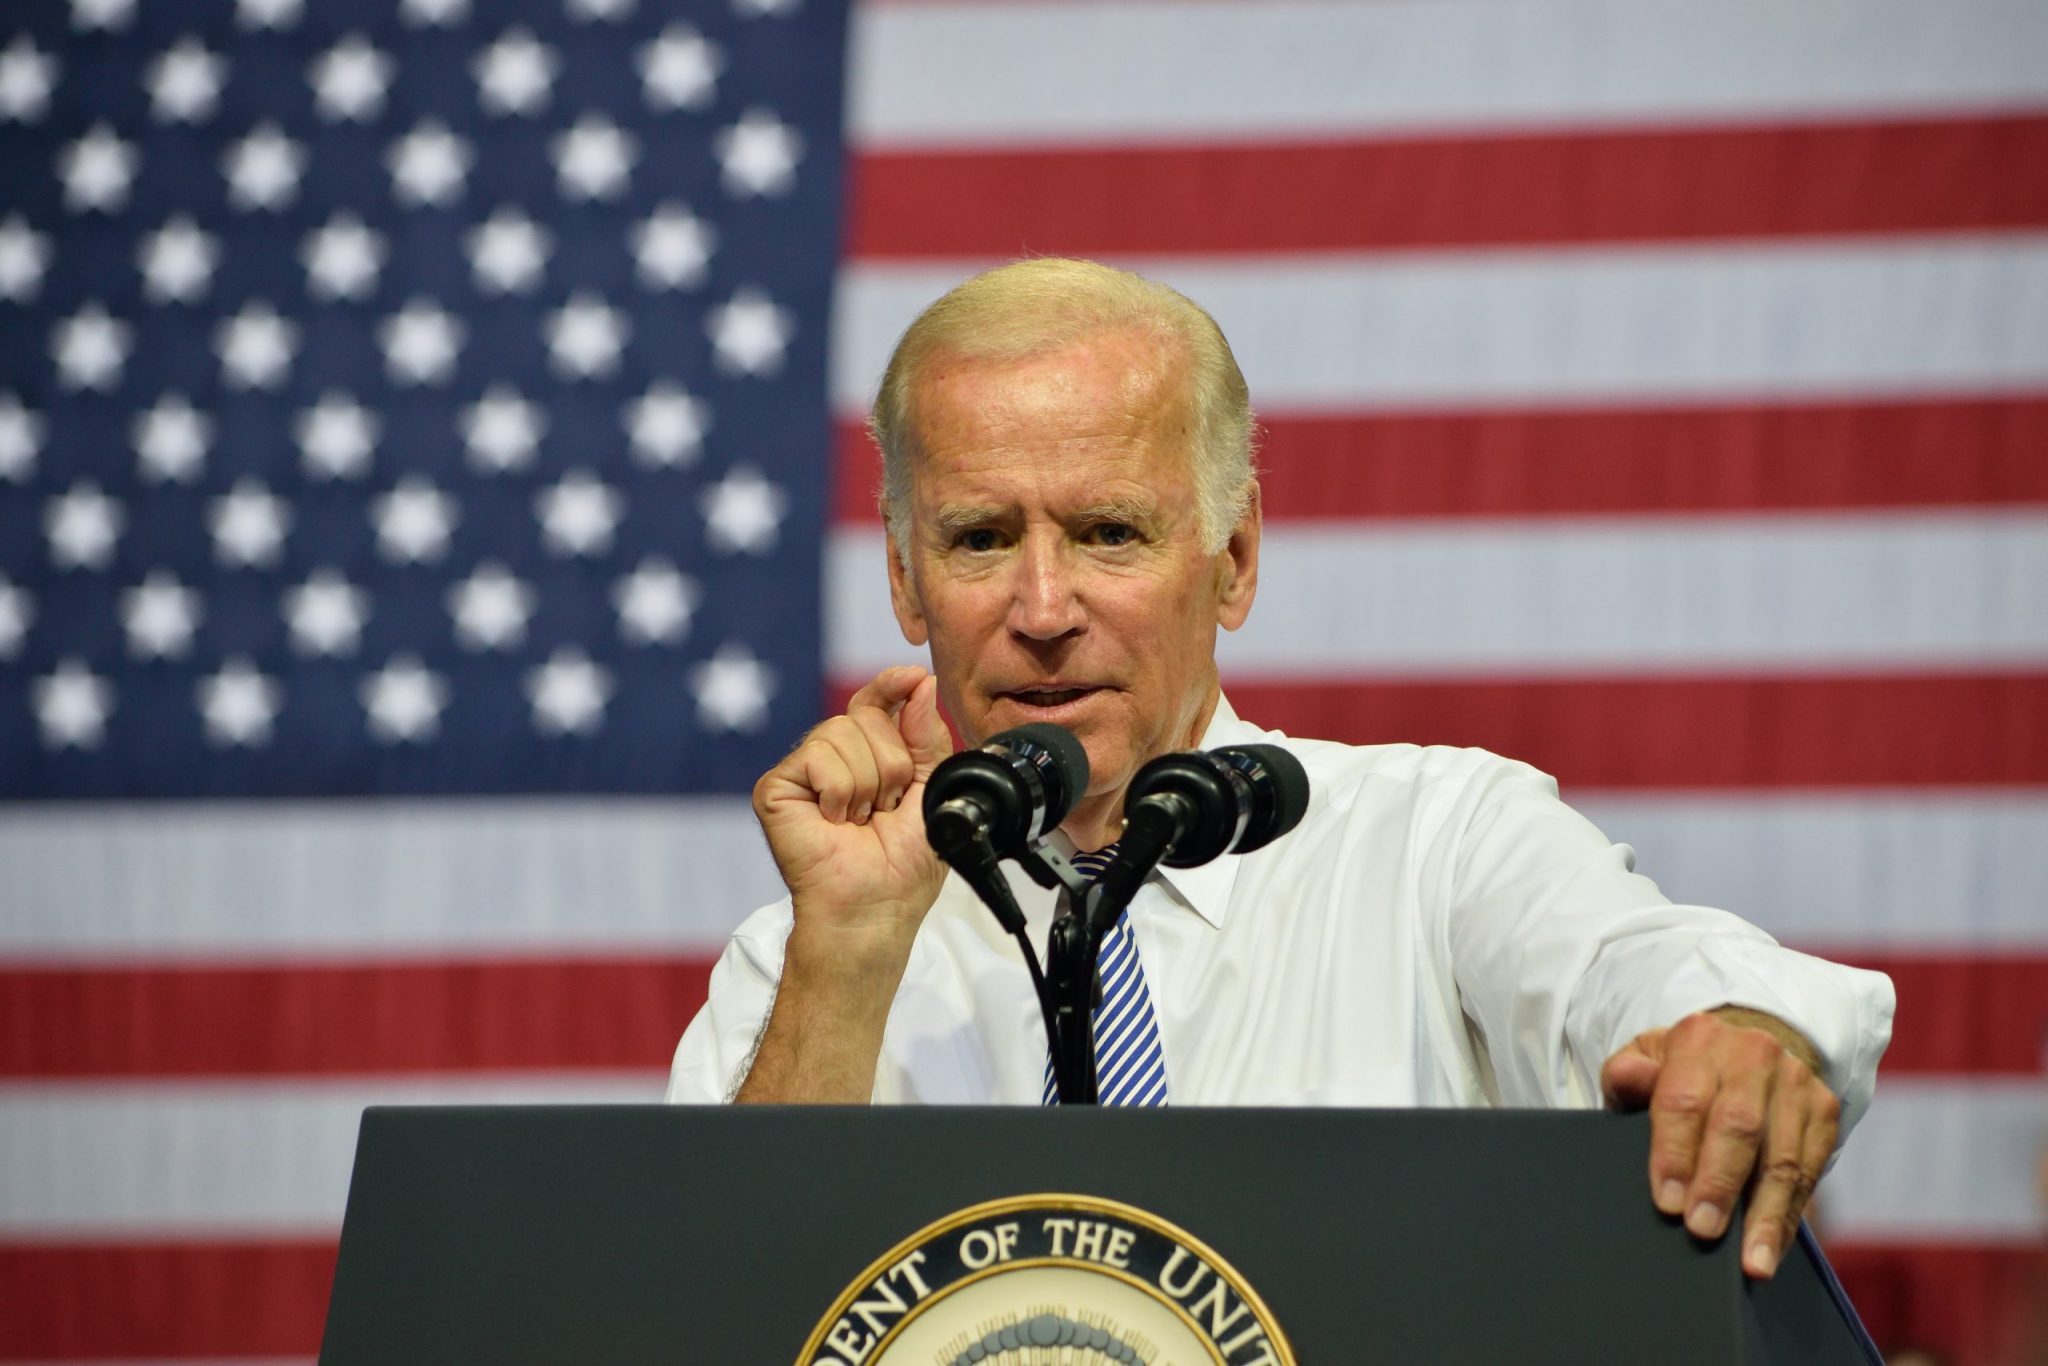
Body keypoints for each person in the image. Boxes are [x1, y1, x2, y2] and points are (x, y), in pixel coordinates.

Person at [667, 258, 1895, 1283]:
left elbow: (1635, 971)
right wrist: (851, 957)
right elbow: (704, 1307)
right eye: (981, 539)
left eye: (1108, 532)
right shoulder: (812, 957)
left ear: (1234, 558)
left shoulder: (1432, 840)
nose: (1043, 609)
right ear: (903, 581)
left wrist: (1735, 1028)